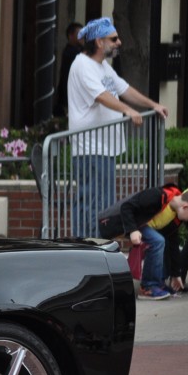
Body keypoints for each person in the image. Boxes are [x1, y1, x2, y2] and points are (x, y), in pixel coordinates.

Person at [67, 16, 168, 238]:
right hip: (90, 148)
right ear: (99, 42)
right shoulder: (82, 65)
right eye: (113, 39)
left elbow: (124, 89)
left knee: (102, 203)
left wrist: (153, 105)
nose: (119, 42)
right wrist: (127, 110)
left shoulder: (102, 66)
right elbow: (101, 96)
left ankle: (96, 248)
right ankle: (86, 248)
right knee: (91, 203)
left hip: (104, 148)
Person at [96, 184, 188, 300]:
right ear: (185, 207)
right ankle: (148, 287)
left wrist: (176, 274)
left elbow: (173, 242)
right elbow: (126, 207)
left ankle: (158, 283)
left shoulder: (175, 216)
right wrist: (132, 230)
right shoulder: (157, 196)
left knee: (165, 241)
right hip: (121, 221)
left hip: (142, 226)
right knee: (158, 240)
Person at [54, 22, 82, 117]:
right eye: (79, 34)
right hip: (69, 95)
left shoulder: (78, 51)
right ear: (70, 36)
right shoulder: (71, 52)